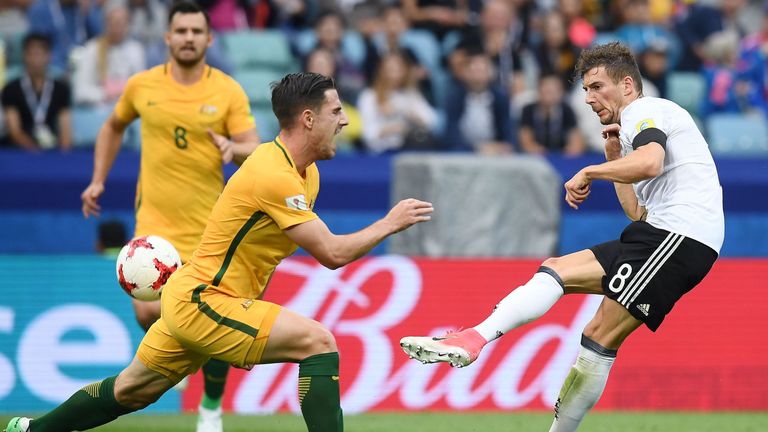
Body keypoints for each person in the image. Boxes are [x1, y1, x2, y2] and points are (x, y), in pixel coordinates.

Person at [5, 71, 434, 432]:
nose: (343, 120)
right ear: (308, 118)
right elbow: (332, 254)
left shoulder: (306, 174)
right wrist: (388, 223)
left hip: (196, 295)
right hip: (206, 299)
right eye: (336, 111)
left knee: (129, 391)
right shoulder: (273, 174)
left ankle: (32, 431)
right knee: (317, 342)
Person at [401, 41, 723, 431]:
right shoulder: (631, 131)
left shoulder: (645, 109)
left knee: (580, 306)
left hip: (678, 235)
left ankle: (476, 338)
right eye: (585, 89)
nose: (589, 97)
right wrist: (611, 160)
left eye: (597, 86)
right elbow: (638, 212)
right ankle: (480, 342)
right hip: (669, 234)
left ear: (626, 84)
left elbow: (651, 163)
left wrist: (589, 171)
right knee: (585, 320)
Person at [78, 2, 260, 431]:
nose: (189, 38)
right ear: (168, 37)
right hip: (156, 229)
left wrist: (234, 150)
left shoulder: (227, 91)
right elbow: (112, 126)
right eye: (181, 31)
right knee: (146, 313)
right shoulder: (142, 86)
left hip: (211, 228)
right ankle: (180, 359)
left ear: (209, 39)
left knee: (218, 321)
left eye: (197, 31)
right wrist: (97, 179)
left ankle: (210, 408)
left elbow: (254, 144)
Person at [1, 33, 71, 150]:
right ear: (25, 55)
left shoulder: (61, 89)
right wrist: (36, 152)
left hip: (51, 149)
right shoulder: (11, 89)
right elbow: (15, 131)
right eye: (32, 54)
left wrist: (64, 154)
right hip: (19, 151)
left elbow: (66, 129)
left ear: (49, 56)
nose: (36, 59)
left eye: (40, 54)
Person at [519, 73, 584, 155]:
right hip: (536, 157)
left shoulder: (566, 110)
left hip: (561, 157)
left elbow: (576, 139)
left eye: (554, 91)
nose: (550, 95)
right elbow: (525, 140)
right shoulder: (528, 110)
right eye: (547, 90)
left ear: (561, 92)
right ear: (539, 90)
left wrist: (571, 149)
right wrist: (535, 149)